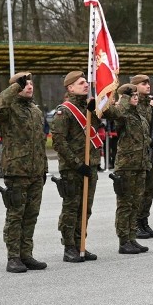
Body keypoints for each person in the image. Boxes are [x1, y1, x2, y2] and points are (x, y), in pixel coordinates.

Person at [0, 72, 49, 273]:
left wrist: (44, 170)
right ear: (15, 88)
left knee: (31, 215)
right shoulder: (8, 109)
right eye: (24, 84)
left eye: (31, 83)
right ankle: (13, 257)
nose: (29, 86)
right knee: (15, 215)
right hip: (17, 170)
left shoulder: (35, 111)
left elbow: (40, 143)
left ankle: (26, 254)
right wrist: (16, 86)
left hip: (35, 172)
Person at [50, 71, 101, 263]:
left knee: (85, 208)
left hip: (91, 165)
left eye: (86, 82)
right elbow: (59, 143)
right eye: (81, 83)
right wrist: (78, 164)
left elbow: (94, 131)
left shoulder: (88, 107)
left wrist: (95, 111)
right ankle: (69, 247)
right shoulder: (65, 111)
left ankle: (81, 244)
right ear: (70, 87)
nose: (86, 85)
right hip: (73, 168)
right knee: (71, 208)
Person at [104, 84, 151, 254]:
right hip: (126, 166)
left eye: (136, 94)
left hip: (140, 165)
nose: (135, 97)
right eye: (131, 95)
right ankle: (124, 241)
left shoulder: (139, 116)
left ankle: (132, 237)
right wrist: (122, 97)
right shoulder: (122, 114)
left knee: (135, 203)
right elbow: (111, 113)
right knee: (125, 204)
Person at [131, 75, 153, 239]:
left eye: (148, 83)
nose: (148, 86)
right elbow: (139, 132)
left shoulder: (150, 106)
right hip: (140, 154)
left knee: (150, 191)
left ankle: (144, 221)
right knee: (140, 192)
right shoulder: (135, 106)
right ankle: (136, 223)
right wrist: (151, 142)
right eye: (144, 84)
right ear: (135, 86)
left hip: (152, 154)